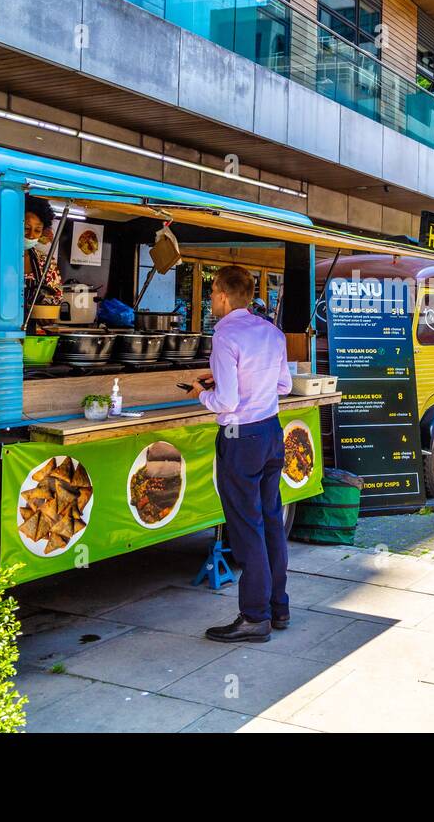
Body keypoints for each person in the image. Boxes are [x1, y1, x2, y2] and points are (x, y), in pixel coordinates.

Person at [183, 266, 292, 643]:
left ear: (222, 293)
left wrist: (201, 393)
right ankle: (279, 607)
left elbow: (226, 401)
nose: (211, 301)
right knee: (270, 520)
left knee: (247, 527)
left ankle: (254, 617)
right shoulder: (272, 332)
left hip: (239, 435)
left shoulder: (225, 334)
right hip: (271, 432)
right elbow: (283, 384)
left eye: (212, 294)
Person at [23, 196, 63, 313]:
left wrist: (48, 311)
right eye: (26, 228)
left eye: (37, 230)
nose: (31, 235)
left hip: (31, 327)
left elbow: (57, 297)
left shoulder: (46, 263)